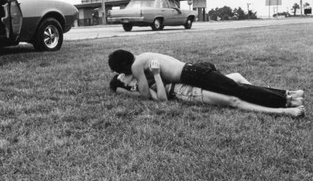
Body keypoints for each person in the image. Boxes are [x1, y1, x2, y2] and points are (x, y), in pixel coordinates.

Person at [108, 49, 304, 108]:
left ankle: (286, 99)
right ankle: (289, 95)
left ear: (125, 66)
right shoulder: (143, 56)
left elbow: (144, 95)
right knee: (235, 86)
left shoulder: (136, 66)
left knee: (237, 90)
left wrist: (130, 81)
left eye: (122, 72)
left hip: (192, 74)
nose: (126, 75)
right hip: (195, 69)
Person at [109, 60, 306, 118]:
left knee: (236, 79)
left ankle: (285, 95)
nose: (123, 75)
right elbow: (160, 99)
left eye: (120, 73)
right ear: (122, 82)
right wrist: (158, 75)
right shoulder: (139, 86)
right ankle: (283, 109)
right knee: (233, 100)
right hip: (185, 92)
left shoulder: (140, 73)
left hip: (192, 79)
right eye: (119, 77)